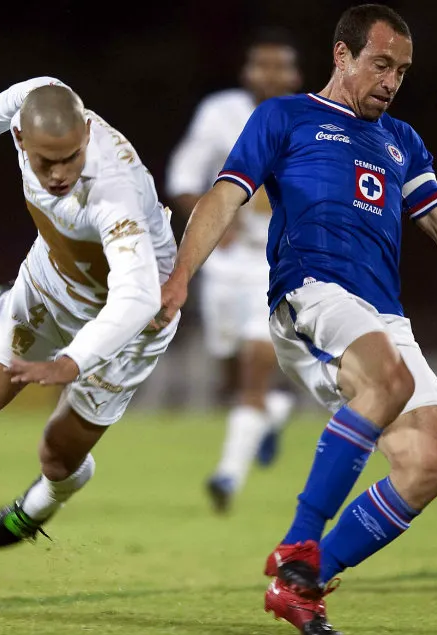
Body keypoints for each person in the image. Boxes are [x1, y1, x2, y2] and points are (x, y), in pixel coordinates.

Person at [152, 6, 437, 634]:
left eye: (402, 71)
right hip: (310, 292)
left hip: (382, 314)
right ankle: (299, 541)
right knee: (391, 380)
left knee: (429, 464)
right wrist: (180, 276)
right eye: (381, 65)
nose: (391, 81)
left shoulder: (401, 142)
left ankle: (300, 585)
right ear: (342, 54)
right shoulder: (285, 117)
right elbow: (224, 197)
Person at [0, 78, 179, 547]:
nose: (60, 174)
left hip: (129, 327)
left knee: (58, 459)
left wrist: (72, 361)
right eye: (47, 162)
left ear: (87, 133)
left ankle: (40, 504)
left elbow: (139, 297)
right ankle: (5, 306)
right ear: (20, 139)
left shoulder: (114, 193)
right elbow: (25, 91)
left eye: (72, 158)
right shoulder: (39, 105)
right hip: (49, 285)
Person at [166, 29, 302, 513]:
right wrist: (210, 217)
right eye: (262, 64)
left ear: (295, 75)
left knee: (253, 372)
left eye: (280, 65)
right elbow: (183, 178)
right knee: (229, 369)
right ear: (247, 71)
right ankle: (273, 414)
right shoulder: (219, 112)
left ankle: (227, 476)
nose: (271, 74)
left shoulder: (313, 119)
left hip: (277, 263)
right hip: (224, 266)